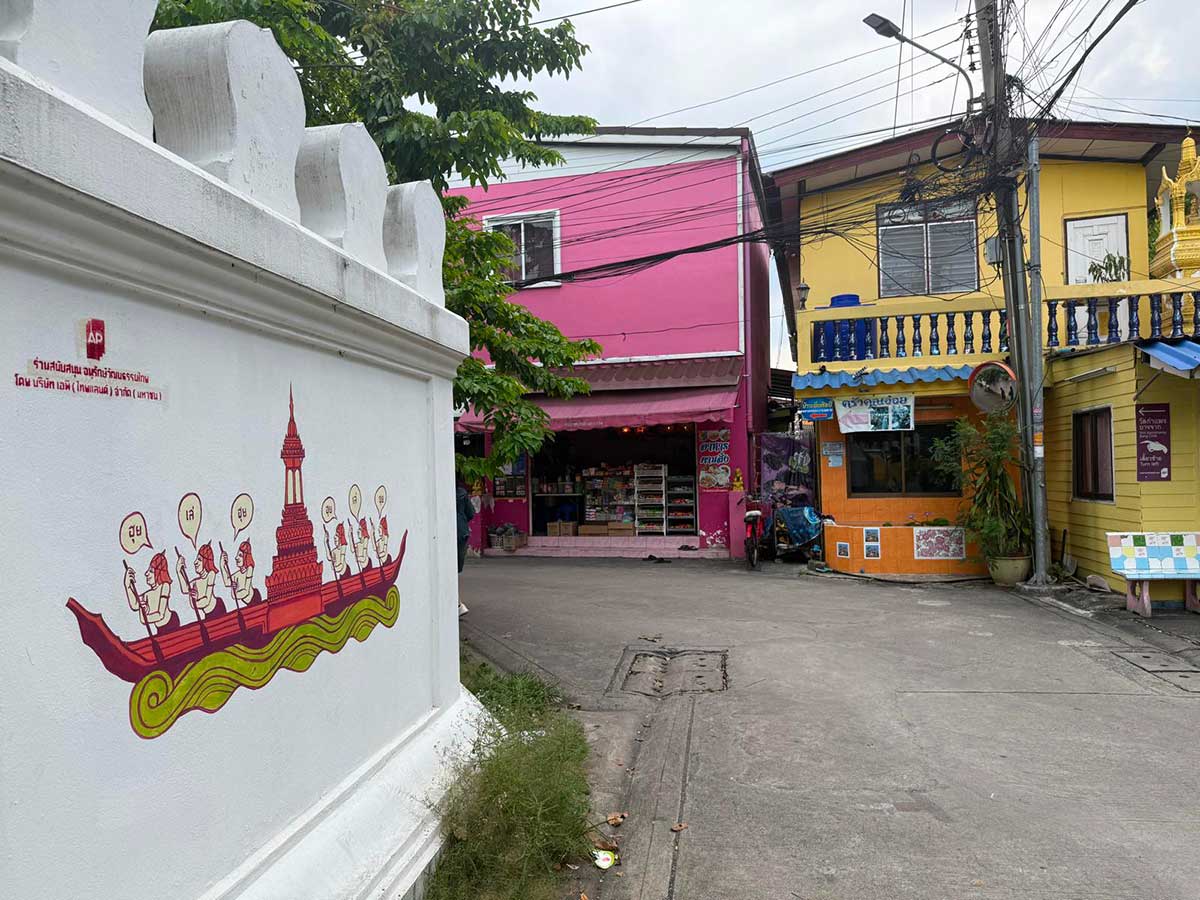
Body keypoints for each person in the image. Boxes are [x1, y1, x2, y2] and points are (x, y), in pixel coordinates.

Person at [125, 551, 179, 634]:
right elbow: (135, 605)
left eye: (151, 571)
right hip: (160, 629)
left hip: (171, 623)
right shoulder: (147, 595)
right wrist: (128, 586)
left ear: (158, 573)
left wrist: (144, 615)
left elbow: (160, 615)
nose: (146, 573)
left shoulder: (165, 586)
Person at [179, 542, 226, 620]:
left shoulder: (211, 574)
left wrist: (194, 600)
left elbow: (206, 601)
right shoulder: (195, 582)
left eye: (199, 559)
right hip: (208, 615)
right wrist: (179, 571)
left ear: (206, 561)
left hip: (217, 609)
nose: (195, 562)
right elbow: (184, 589)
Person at [455, 478, 475, 615]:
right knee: (455, 569)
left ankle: (457, 604)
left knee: (448, 570)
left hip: (446, 533)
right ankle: (457, 604)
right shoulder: (461, 493)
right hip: (461, 533)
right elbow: (471, 513)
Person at [220, 540, 259, 606]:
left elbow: (245, 592)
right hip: (247, 604)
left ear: (246, 557)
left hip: (254, 599)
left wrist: (234, 592)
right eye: (237, 555)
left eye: (240, 555)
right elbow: (227, 582)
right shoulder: (237, 575)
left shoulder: (249, 569)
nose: (236, 557)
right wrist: (222, 566)